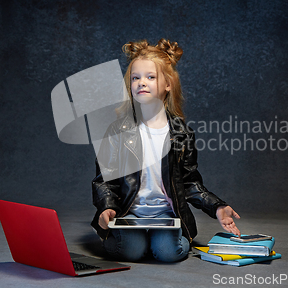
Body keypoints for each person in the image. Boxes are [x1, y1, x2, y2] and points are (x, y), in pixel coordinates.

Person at [91, 38, 240, 263]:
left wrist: (217, 207)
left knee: (168, 253)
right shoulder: (117, 130)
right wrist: (107, 207)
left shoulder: (182, 133)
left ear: (168, 84)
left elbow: (190, 183)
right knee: (131, 251)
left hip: (167, 215)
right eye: (135, 78)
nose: (142, 82)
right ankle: (124, 236)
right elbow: (104, 180)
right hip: (129, 214)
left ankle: (165, 237)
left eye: (150, 77)